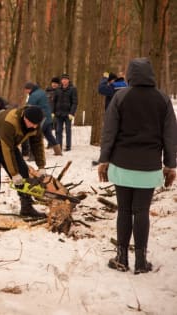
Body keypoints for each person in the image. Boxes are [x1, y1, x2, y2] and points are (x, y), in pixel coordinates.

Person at [98, 57, 177, 274]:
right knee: (141, 211)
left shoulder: (120, 96)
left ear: (130, 74)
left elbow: (109, 132)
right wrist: (170, 165)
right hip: (149, 166)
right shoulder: (162, 99)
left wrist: (104, 160)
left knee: (124, 210)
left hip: (122, 163)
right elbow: (170, 135)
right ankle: (141, 261)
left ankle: (121, 257)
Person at [0, 105, 48, 222]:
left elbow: (37, 144)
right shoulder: (10, 123)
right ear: (25, 118)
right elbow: (7, 150)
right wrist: (14, 173)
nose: (35, 127)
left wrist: (41, 166)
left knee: (23, 170)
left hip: (9, 143)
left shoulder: (35, 124)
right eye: (32, 123)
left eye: (37, 124)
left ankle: (26, 207)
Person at [24, 81, 62, 156]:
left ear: (29, 89)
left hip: (41, 118)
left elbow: (29, 107)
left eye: (26, 90)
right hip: (48, 117)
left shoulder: (34, 96)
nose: (25, 92)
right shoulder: (41, 92)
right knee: (48, 134)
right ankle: (58, 151)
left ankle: (33, 155)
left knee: (34, 135)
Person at [53, 73, 78, 151]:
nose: (64, 81)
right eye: (63, 79)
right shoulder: (58, 89)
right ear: (61, 81)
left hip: (68, 114)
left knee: (68, 130)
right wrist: (53, 111)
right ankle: (58, 146)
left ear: (68, 80)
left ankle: (68, 146)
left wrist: (72, 113)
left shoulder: (73, 89)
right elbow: (54, 101)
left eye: (66, 79)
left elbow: (75, 102)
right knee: (58, 130)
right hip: (59, 114)